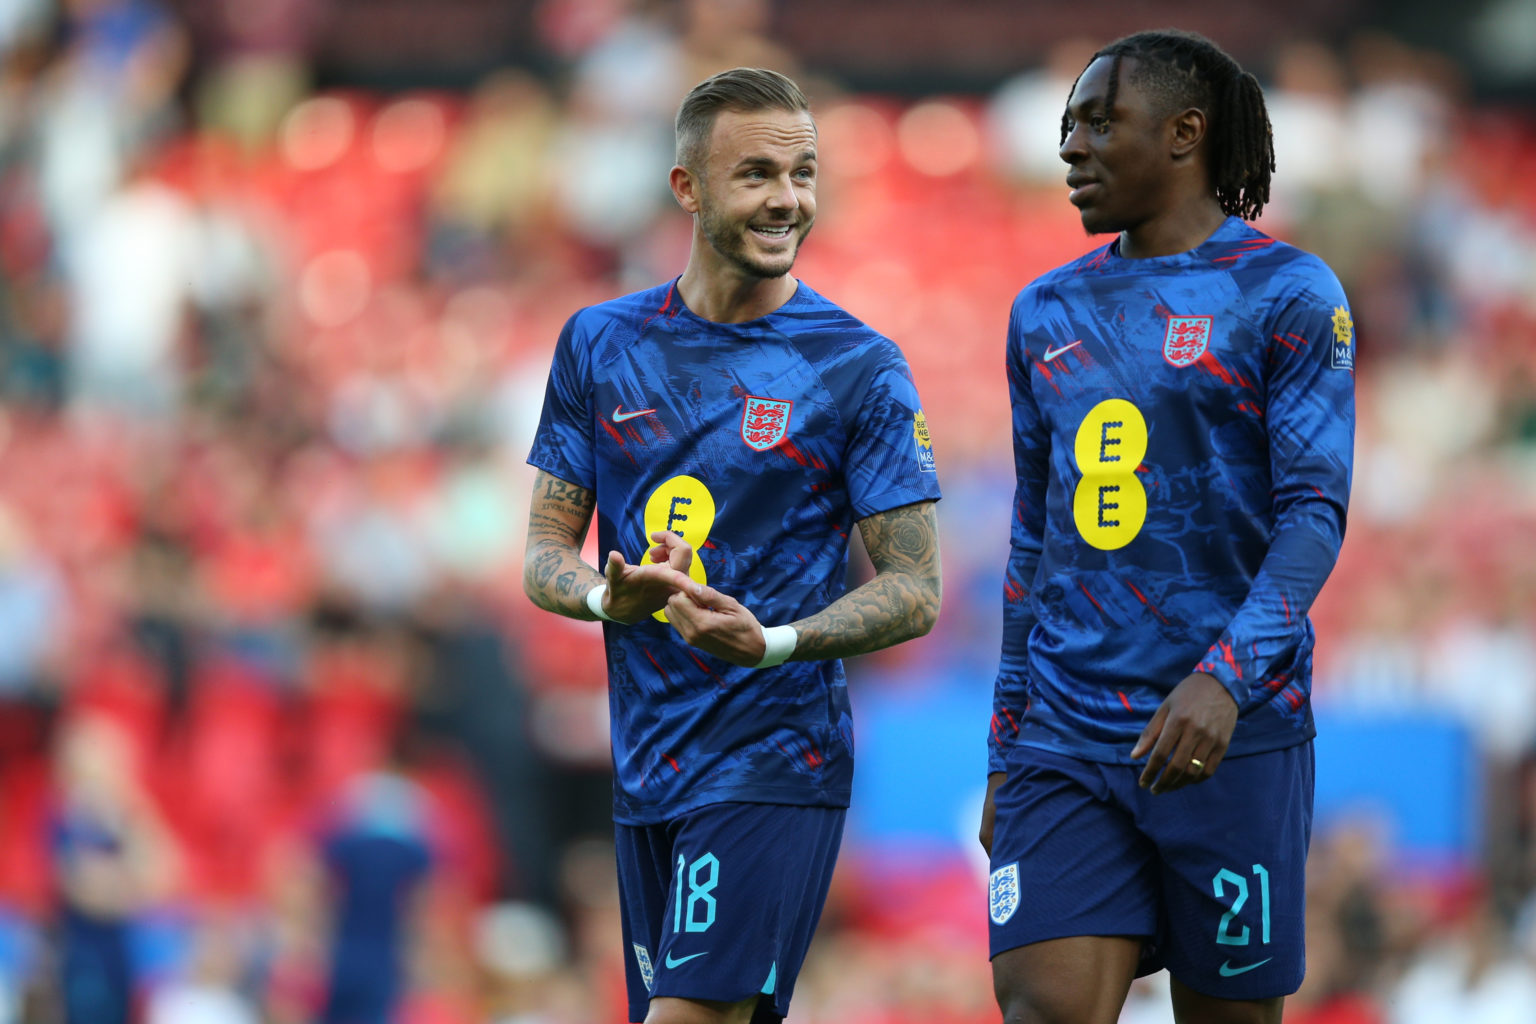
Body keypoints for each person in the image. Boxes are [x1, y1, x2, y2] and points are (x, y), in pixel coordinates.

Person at [523, 67, 943, 1024]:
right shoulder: (598, 343)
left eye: (802, 172)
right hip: (646, 767)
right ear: (688, 189)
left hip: (775, 759)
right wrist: (603, 598)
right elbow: (544, 551)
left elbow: (918, 587)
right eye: (756, 173)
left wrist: (777, 641)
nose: (787, 198)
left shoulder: (858, 366)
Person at [979, 30, 1354, 1024]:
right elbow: (1032, 545)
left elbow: (1314, 514)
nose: (1072, 147)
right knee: (1044, 1004)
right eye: (1068, 127)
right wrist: (1004, 746)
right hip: (1064, 731)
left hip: (1226, 734)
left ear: (1185, 134)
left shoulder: (1289, 293)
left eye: (1101, 123)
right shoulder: (1042, 312)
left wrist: (1223, 680)